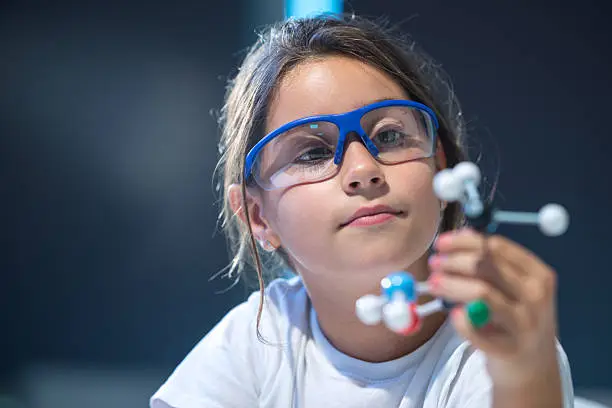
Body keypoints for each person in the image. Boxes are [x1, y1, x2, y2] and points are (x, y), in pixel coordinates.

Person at [150, 14, 574, 408]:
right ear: (258, 216)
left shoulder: (500, 346)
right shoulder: (256, 342)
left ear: (440, 169)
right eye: (313, 152)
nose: (363, 170)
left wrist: (526, 373)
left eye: (389, 136)